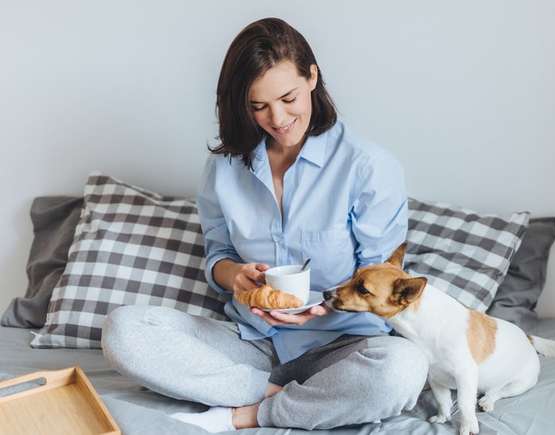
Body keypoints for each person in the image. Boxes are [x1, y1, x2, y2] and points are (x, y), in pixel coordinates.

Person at [100, 17, 429, 432]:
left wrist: (318, 308)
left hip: (346, 345)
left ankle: (250, 412)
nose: (278, 118)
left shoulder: (368, 168)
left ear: (312, 77)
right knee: (125, 330)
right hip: (251, 342)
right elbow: (218, 255)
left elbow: (380, 279)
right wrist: (235, 275)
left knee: (403, 368)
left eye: (289, 98)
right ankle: (282, 394)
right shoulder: (223, 169)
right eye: (259, 106)